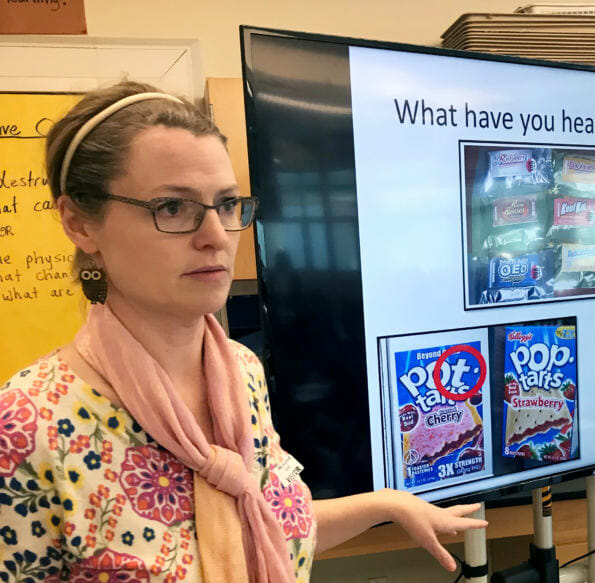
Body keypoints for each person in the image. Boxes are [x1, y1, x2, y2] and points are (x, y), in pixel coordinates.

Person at [0, 81, 486, 583]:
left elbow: (267, 527)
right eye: (172, 207)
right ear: (79, 223)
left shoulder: (240, 370)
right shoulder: (26, 425)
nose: (216, 236)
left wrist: (386, 504)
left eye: (227, 204)